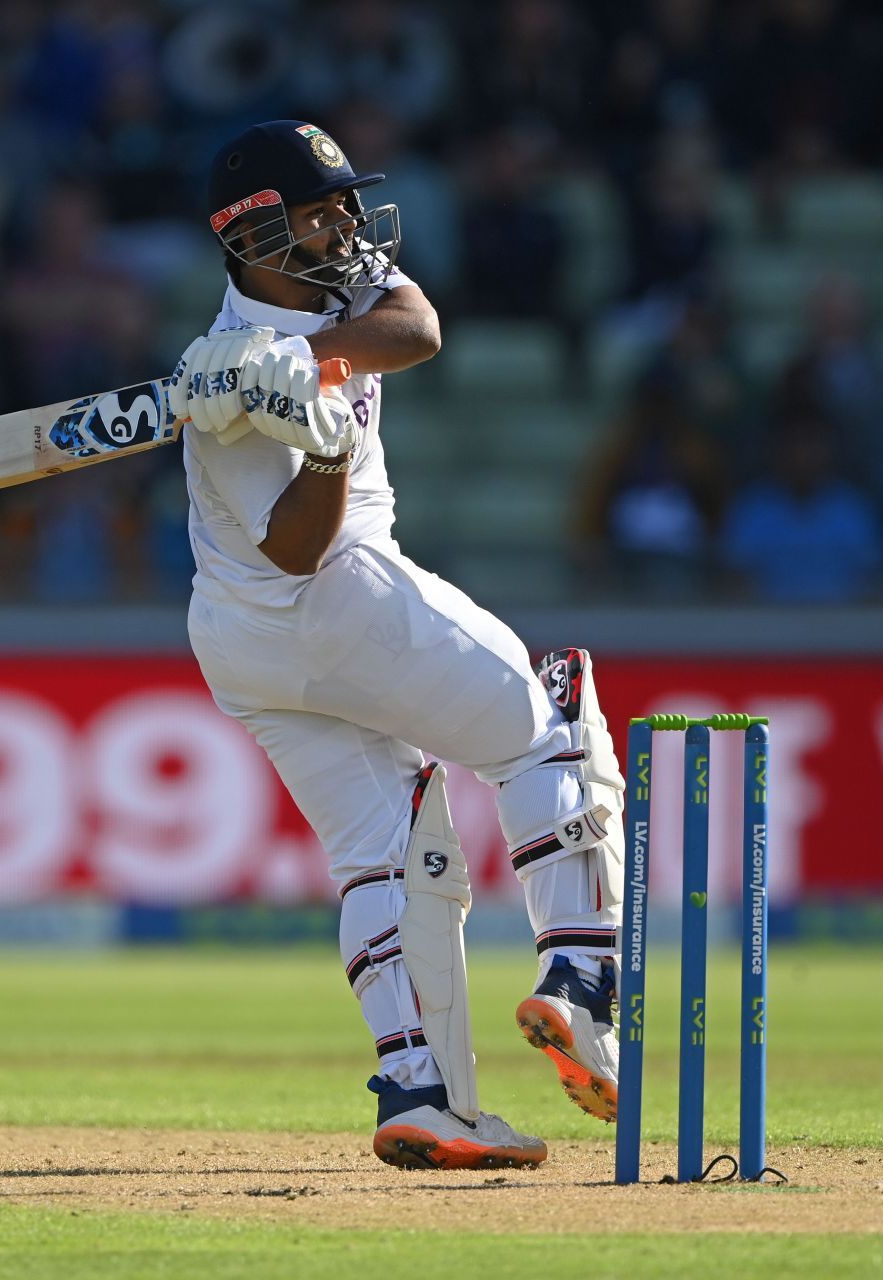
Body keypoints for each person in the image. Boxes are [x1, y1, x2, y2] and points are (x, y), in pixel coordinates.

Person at [166, 121, 626, 1171]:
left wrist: (307, 364)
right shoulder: (221, 390)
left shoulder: (331, 296)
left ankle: (421, 1092)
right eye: (320, 208)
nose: (346, 223)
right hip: (322, 594)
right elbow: (292, 550)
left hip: (243, 647)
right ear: (253, 232)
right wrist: (318, 446)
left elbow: (416, 328)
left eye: (343, 202)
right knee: (546, 713)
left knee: (391, 850)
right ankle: (582, 979)